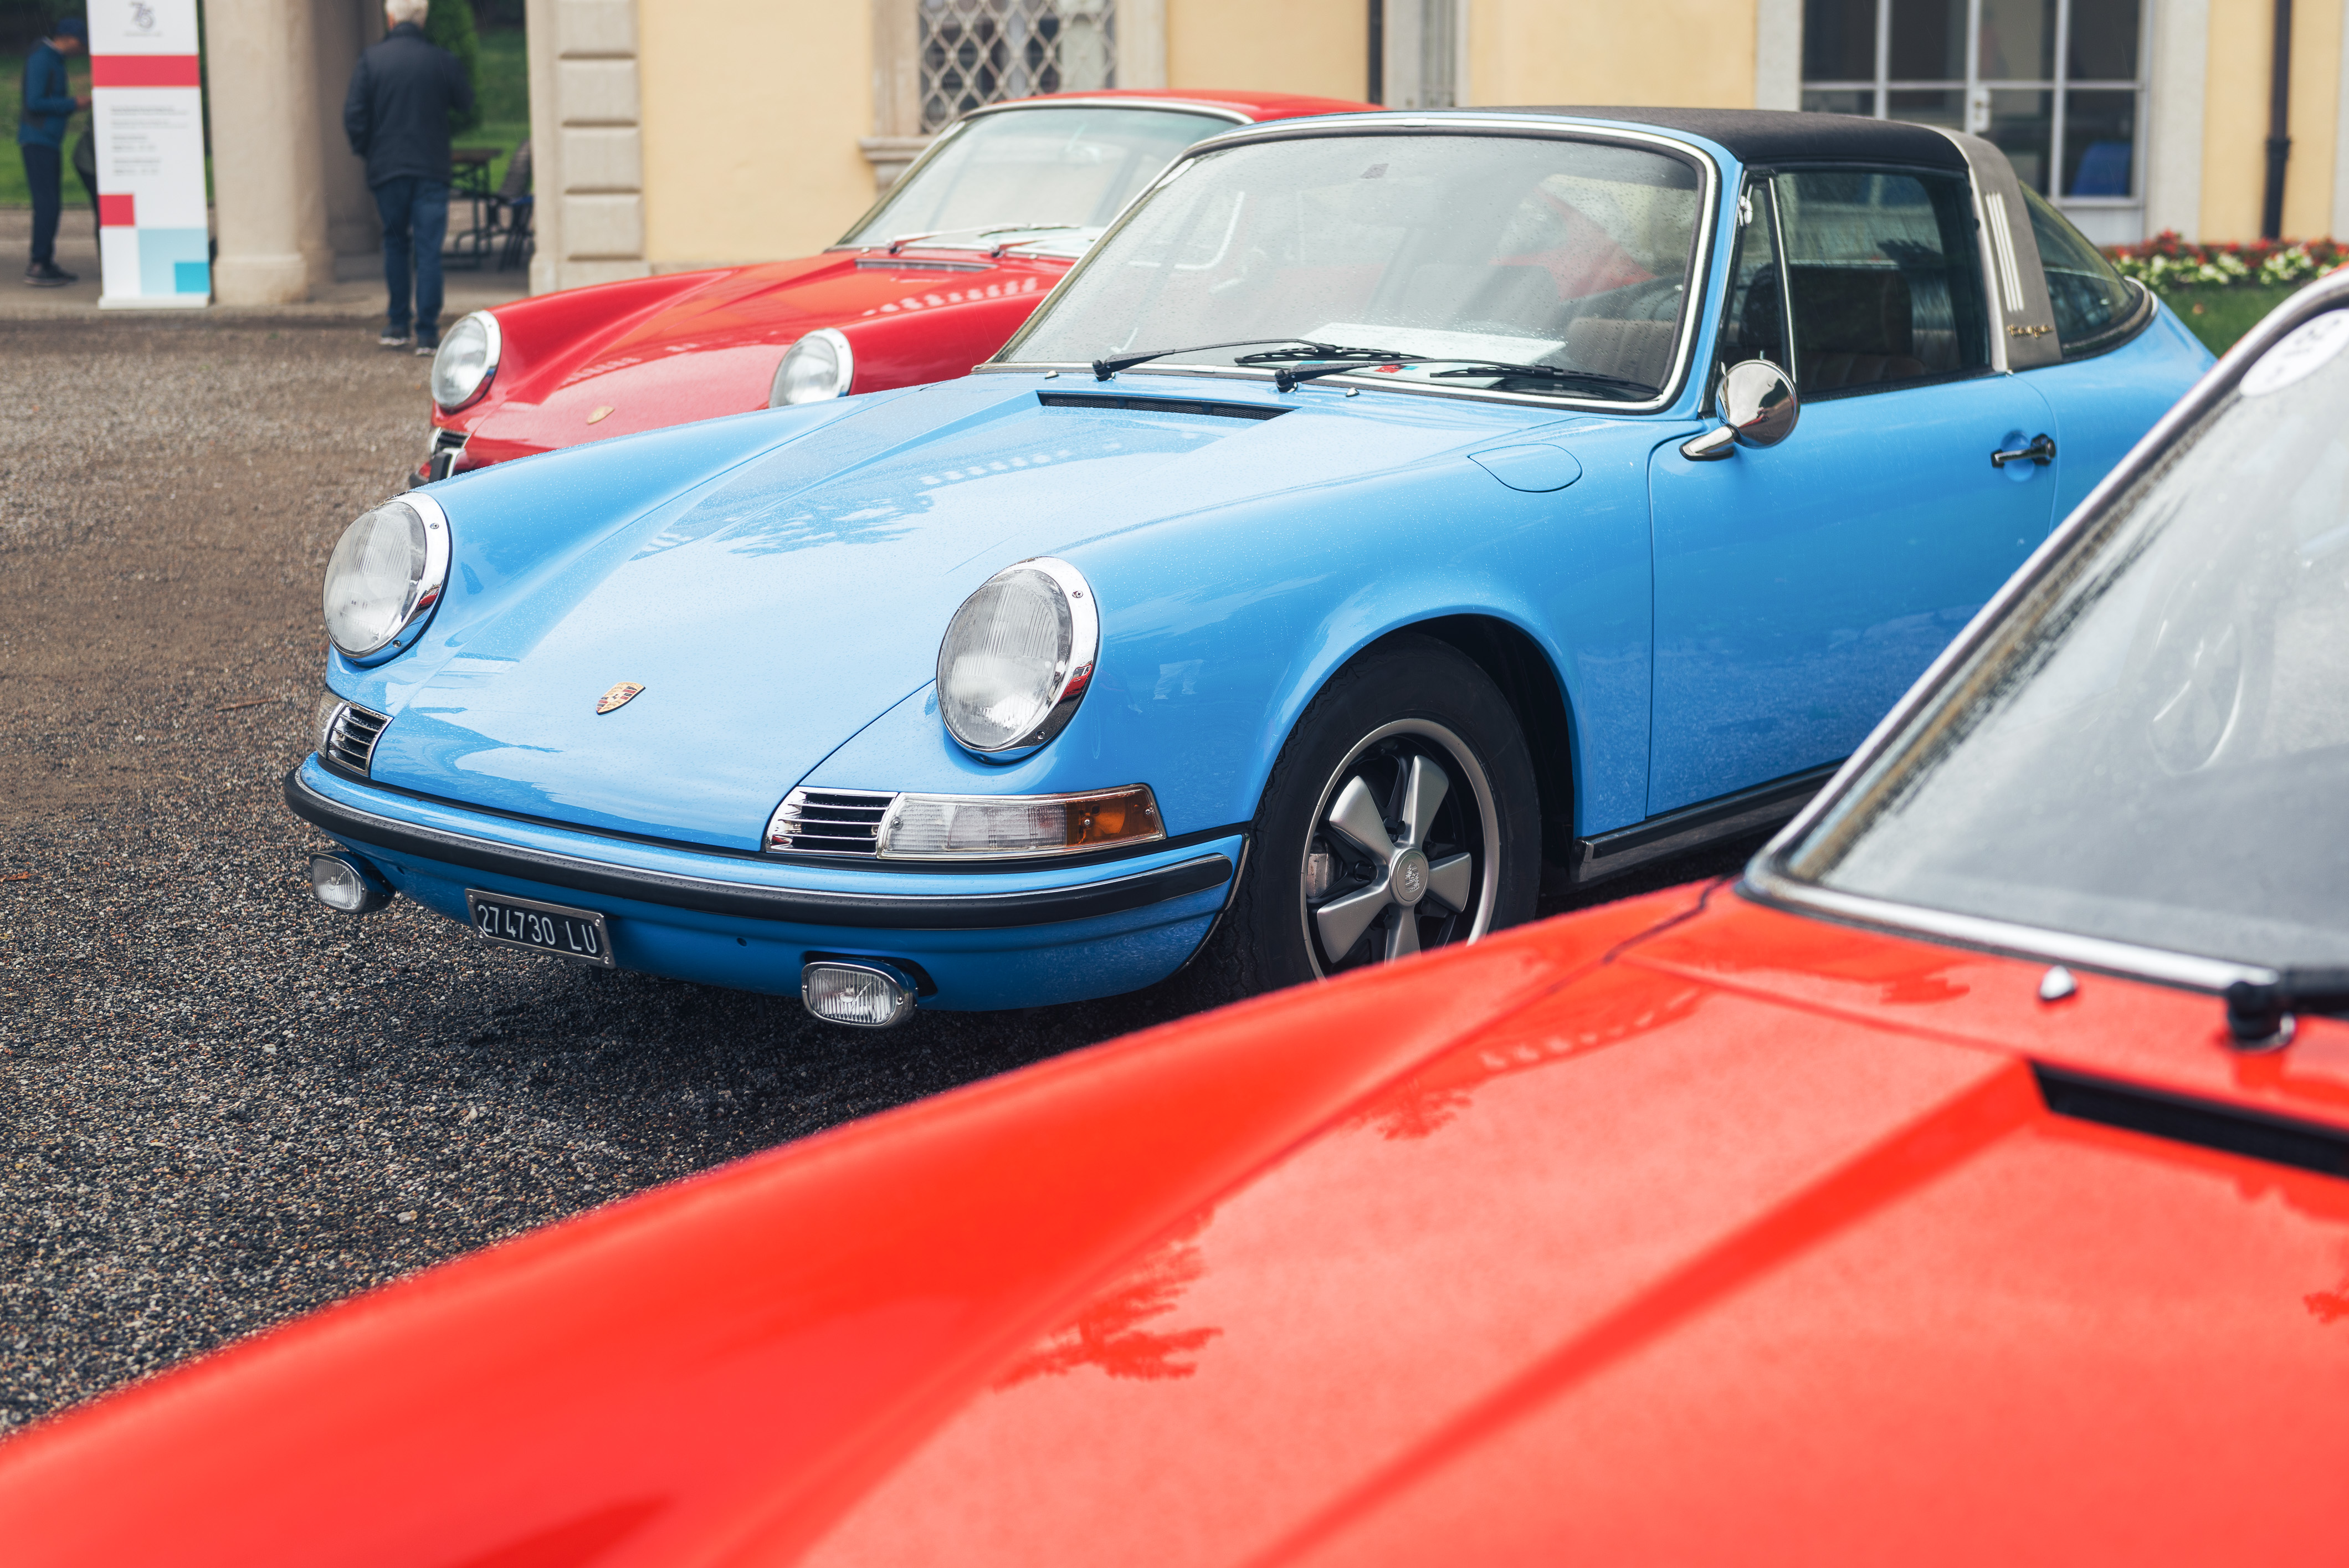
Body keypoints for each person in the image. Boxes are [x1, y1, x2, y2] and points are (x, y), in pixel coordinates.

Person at [343, 0, 473, 352]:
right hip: (431, 167)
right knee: (429, 251)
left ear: (389, 18)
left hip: (388, 169)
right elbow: (465, 102)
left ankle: (398, 323)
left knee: (396, 245)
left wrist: (369, 151)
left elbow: (354, 115)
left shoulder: (371, 61)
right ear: (424, 19)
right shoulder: (442, 60)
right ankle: (428, 332)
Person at [17, 17, 90, 288]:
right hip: (38, 140)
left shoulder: (52, 58)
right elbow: (34, 102)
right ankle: (39, 263)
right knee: (47, 204)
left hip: (47, 140)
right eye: (81, 44)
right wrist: (73, 103)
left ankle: (45, 261)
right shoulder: (42, 58)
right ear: (68, 38)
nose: (82, 50)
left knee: (51, 204)